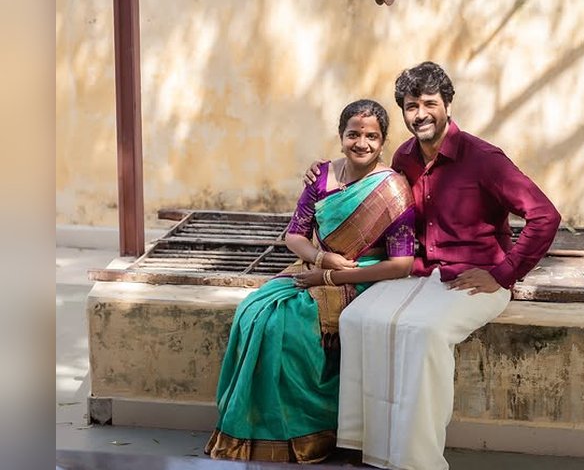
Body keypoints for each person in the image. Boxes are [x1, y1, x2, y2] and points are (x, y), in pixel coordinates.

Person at [305, 61, 561, 470]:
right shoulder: (405, 155)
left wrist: (504, 273)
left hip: (477, 279)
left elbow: (545, 215)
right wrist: (321, 174)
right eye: (410, 105)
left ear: (447, 104)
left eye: (429, 103)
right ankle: (361, 444)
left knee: (423, 333)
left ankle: (418, 459)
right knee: (357, 318)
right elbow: (364, 179)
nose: (420, 113)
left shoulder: (484, 159)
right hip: (420, 273)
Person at [205, 99, 415, 464]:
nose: (361, 143)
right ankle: (256, 429)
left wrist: (334, 273)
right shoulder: (321, 176)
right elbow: (295, 234)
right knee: (255, 311)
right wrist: (320, 259)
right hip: (314, 265)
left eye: (371, 136)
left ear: (383, 143)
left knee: (292, 322)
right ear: (341, 136)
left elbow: (401, 264)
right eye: (353, 134)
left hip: (363, 275)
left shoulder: (393, 191)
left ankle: (310, 430)